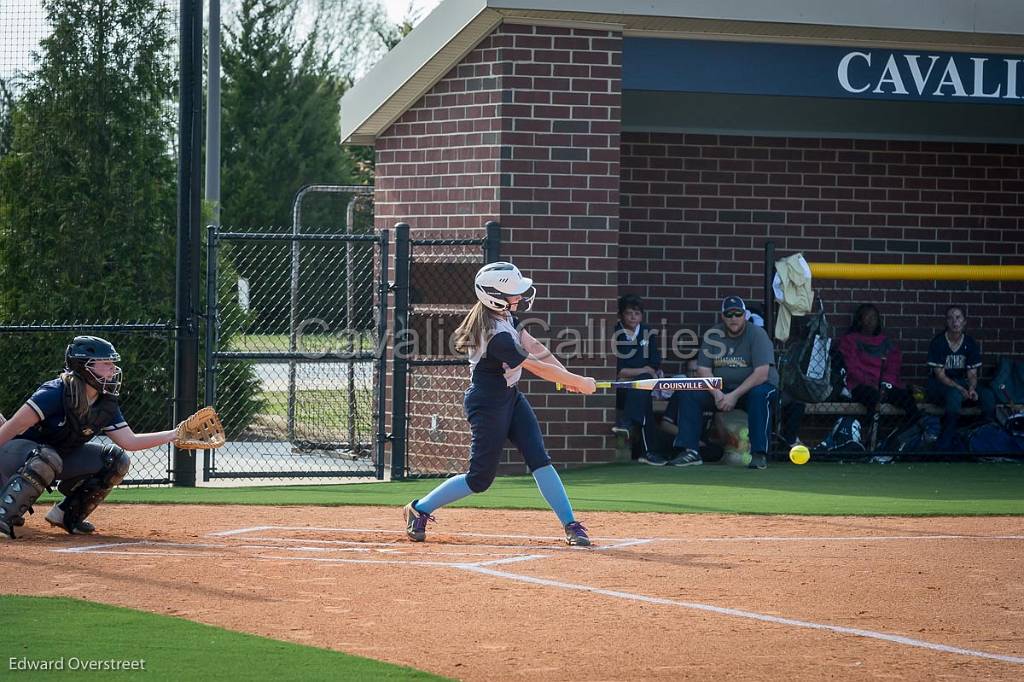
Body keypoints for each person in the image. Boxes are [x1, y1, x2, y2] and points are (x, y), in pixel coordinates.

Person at [402, 262, 597, 546]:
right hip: (487, 402)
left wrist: (567, 377)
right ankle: (419, 509)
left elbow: (537, 349)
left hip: (510, 397)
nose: (519, 296)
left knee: (539, 458)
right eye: (513, 293)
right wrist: (580, 381)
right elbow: (533, 366)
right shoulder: (496, 334)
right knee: (480, 479)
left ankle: (570, 524)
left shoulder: (507, 318)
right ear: (493, 295)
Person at [0, 336, 181, 538]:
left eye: (113, 364)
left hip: (55, 458)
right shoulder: (54, 392)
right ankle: (2, 515)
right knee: (46, 457)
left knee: (116, 460)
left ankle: (66, 515)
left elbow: (130, 441)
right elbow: (11, 427)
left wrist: (174, 434)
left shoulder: (105, 402)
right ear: (83, 367)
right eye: (106, 363)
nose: (113, 369)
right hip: (15, 453)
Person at [672, 296, 778, 469]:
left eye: (738, 314)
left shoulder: (757, 334)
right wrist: (717, 393)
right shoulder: (713, 334)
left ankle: (759, 454)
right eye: (729, 314)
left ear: (745, 315)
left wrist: (734, 396)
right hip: (721, 390)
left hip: (753, 387)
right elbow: (703, 370)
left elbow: (761, 374)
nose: (734, 318)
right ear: (723, 316)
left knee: (760, 394)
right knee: (689, 392)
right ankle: (690, 451)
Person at [838, 304, 920, 441]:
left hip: (885, 386)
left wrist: (885, 384)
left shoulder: (886, 343)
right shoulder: (850, 340)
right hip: (861, 386)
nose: (871, 320)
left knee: (907, 399)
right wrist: (873, 384)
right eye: (867, 316)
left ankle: (902, 439)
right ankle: (875, 441)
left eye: (874, 317)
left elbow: (893, 366)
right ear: (859, 320)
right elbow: (852, 367)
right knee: (873, 398)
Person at [926, 305, 996, 450]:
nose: (954, 321)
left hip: (963, 383)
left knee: (988, 395)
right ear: (946, 322)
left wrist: (971, 388)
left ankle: (986, 440)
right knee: (954, 395)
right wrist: (959, 388)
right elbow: (940, 375)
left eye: (958, 317)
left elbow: (972, 373)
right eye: (950, 318)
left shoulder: (970, 343)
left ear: (964, 322)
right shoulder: (938, 342)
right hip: (940, 385)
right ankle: (945, 446)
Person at [612, 293, 666, 465]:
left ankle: (627, 423)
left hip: (640, 387)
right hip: (620, 389)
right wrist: (642, 370)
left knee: (642, 390)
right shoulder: (615, 334)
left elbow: (655, 364)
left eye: (637, 313)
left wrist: (639, 372)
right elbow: (619, 370)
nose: (633, 317)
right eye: (629, 313)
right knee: (643, 395)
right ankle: (648, 452)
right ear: (621, 315)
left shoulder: (647, 332)